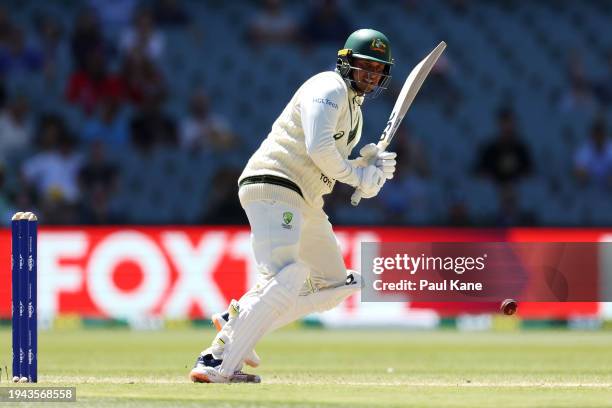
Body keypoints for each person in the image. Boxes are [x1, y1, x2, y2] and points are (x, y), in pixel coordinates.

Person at [189, 29, 397, 383]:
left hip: (307, 200)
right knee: (289, 276)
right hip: (274, 184)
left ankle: (238, 323)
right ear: (345, 62)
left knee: (337, 284)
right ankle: (215, 363)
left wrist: (368, 171)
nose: (370, 76)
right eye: (364, 66)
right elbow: (319, 150)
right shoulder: (328, 87)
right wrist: (356, 177)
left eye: (377, 70)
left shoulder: (355, 112)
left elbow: (326, 164)